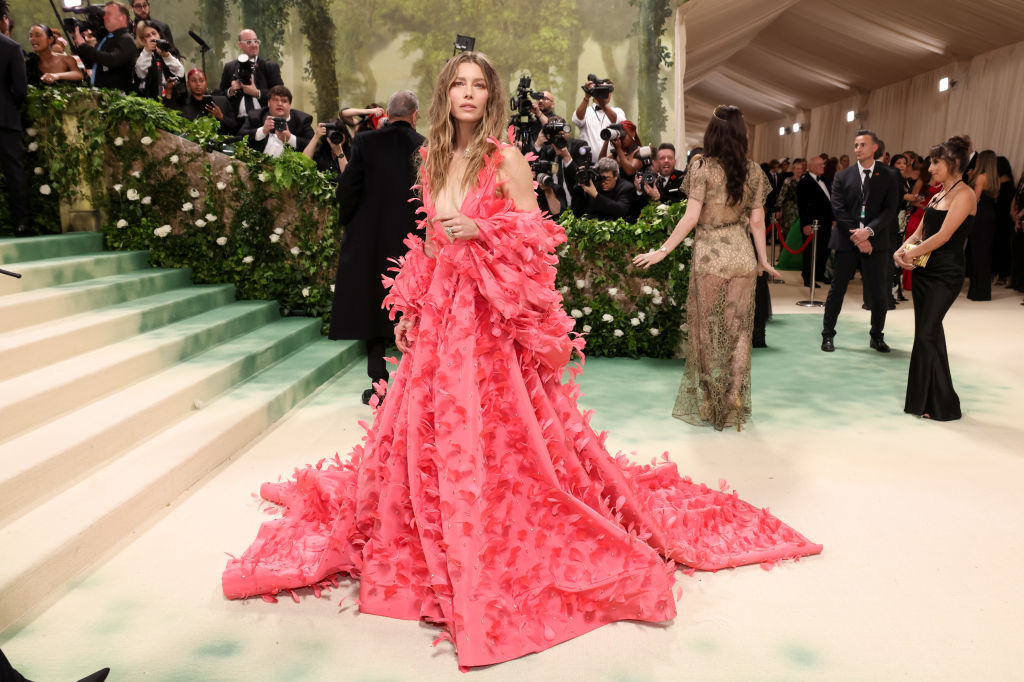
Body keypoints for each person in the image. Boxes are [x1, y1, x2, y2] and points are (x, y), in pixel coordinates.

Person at [221, 53, 821, 670]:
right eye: (460, 84)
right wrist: (410, 301)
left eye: (480, 86)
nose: (469, 94)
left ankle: (483, 520)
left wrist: (480, 230)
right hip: (440, 312)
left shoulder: (504, 158)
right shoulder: (428, 157)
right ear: (444, 93)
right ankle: (432, 522)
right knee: (426, 430)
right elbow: (427, 241)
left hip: (486, 319)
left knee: (498, 432)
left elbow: (537, 235)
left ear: (492, 97)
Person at [633, 104, 782, 430]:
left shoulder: (702, 168)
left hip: (711, 257)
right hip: (742, 255)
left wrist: (662, 250)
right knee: (739, 331)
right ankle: (733, 398)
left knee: (704, 332)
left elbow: (690, 217)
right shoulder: (754, 170)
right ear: (742, 133)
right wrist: (764, 260)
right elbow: (757, 222)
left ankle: (710, 399)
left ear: (712, 134)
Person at [327, 89, 423, 404]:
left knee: (374, 308)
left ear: (387, 114)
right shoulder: (423, 145)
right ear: (415, 116)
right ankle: (416, 388)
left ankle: (379, 385)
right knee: (416, 311)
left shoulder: (367, 142)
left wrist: (351, 221)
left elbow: (347, 189)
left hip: (370, 240)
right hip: (412, 242)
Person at [895, 137, 975, 421]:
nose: (930, 168)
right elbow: (923, 231)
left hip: (946, 274)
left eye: (935, 162)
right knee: (930, 334)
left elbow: (943, 237)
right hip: (925, 272)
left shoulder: (965, 195)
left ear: (953, 164)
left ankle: (943, 403)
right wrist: (903, 249)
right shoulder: (938, 194)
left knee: (927, 334)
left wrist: (913, 251)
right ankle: (934, 402)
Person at [820, 129, 900, 353]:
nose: (858, 149)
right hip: (847, 240)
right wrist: (857, 235)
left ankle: (877, 336)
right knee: (837, 290)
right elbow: (838, 208)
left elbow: (890, 209)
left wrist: (870, 232)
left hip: (876, 242)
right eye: (855, 145)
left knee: (879, 292)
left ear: (875, 148)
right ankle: (828, 335)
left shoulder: (890, 175)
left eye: (863, 145)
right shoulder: (842, 176)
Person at [0, 0, 27, 236]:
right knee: (14, 172)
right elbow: (21, 90)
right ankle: (21, 223)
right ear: (3, 19)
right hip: (5, 119)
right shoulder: (11, 47)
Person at [218, 29, 283, 121]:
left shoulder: (270, 67)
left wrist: (257, 93)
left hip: (264, 119)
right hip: (236, 122)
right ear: (240, 45)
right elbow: (221, 95)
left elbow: (280, 94)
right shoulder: (229, 67)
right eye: (249, 42)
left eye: (256, 41)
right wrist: (231, 91)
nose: (254, 45)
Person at [72, 1, 137, 93]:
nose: (104, 17)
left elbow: (112, 60)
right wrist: (79, 45)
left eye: (109, 14)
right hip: (102, 95)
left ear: (122, 18)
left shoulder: (126, 38)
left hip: (118, 97)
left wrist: (84, 47)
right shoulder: (106, 39)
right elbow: (93, 64)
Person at [239, 84, 313, 158]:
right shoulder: (255, 116)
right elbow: (239, 137)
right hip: (257, 163)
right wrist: (262, 131)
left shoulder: (302, 120)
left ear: (289, 105)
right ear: (268, 103)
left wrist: (290, 138)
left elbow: (314, 146)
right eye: (275, 100)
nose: (280, 104)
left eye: (284, 101)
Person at [966, 149, 998, 301]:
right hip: (990, 216)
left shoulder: (980, 177)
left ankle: (977, 292)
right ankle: (983, 291)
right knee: (985, 254)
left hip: (979, 218)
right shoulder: (994, 178)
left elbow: (975, 199)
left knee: (976, 253)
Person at [797, 155, 833, 288]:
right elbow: (802, 205)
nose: (823, 166)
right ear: (812, 167)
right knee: (810, 251)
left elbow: (829, 201)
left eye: (824, 164)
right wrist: (805, 224)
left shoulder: (825, 180)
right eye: (820, 165)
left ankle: (819, 274)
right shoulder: (804, 182)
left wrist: (833, 218)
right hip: (812, 224)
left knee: (824, 250)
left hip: (826, 223)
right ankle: (808, 277)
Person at [572, 73, 624, 163]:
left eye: (608, 91)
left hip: (611, 164)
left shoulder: (618, 111)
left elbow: (618, 123)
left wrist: (602, 104)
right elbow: (578, 120)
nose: (605, 94)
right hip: (587, 163)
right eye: (602, 90)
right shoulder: (586, 110)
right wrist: (587, 96)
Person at [172, 68, 239, 135]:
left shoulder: (222, 102)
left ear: (206, 82)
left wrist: (221, 117)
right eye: (193, 81)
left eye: (201, 80)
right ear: (188, 84)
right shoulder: (182, 105)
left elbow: (235, 126)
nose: (198, 84)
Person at [572, 156, 634, 221]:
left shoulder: (626, 188)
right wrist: (579, 186)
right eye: (600, 178)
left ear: (616, 176)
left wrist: (596, 195)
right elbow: (578, 212)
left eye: (607, 179)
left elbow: (620, 211)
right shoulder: (594, 184)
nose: (603, 182)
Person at [133, 22, 183, 101]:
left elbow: (180, 73)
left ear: (159, 35)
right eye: (147, 36)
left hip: (171, 101)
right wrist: (147, 51)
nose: (152, 38)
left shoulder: (168, 50)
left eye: (154, 33)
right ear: (143, 40)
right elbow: (141, 73)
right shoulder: (139, 54)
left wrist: (166, 56)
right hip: (148, 101)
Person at [992, 156, 1015, 286]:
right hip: (1002, 221)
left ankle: (1001, 275)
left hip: (1002, 221)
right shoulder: (1008, 183)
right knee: (1001, 247)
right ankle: (1001, 274)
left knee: (1001, 247)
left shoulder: (1003, 184)